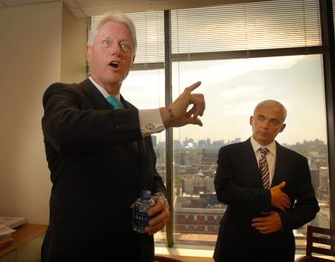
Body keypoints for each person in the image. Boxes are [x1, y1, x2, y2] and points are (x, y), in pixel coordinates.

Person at [40, 11, 205, 262]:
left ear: (131, 60)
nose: (116, 50)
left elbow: (150, 175)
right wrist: (166, 115)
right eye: (107, 42)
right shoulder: (64, 95)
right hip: (80, 253)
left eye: (124, 45)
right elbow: (66, 131)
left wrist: (160, 198)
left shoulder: (136, 115)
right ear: (89, 52)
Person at [213, 100, 319, 262]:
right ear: (251, 120)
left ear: (282, 127)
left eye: (273, 121)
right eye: (261, 118)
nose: (265, 125)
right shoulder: (229, 153)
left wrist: (284, 221)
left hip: (277, 248)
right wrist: (267, 197)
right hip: (235, 246)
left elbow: (310, 206)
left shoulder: (297, 162)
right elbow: (224, 192)